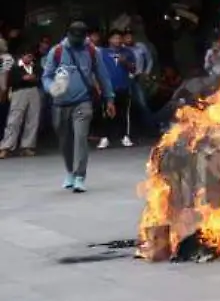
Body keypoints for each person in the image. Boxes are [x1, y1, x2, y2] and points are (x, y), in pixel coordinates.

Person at [43, 22, 117, 191]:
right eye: (73, 37)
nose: (76, 40)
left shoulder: (92, 51)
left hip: (83, 102)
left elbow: (103, 76)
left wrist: (109, 99)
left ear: (85, 37)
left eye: (80, 37)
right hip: (60, 103)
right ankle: (70, 171)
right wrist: (51, 88)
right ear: (68, 34)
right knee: (65, 141)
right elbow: (46, 76)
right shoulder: (57, 51)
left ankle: (79, 176)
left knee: (81, 138)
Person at [0, 40, 42, 157]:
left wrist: (35, 78)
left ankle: (27, 146)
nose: (29, 58)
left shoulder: (36, 66)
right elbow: (11, 81)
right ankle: (6, 146)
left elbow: (41, 77)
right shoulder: (15, 67)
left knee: (33, 118)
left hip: (33, 91)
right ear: (22, 55)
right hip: (19, 91)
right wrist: (22, 79)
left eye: (31, 56)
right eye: (27, 55)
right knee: (14, 119)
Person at [96, 31, 136, 150]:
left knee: (124, 113)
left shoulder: (127, 52)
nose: (117, 41)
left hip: (123, 86)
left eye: (119, 38)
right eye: (114, 38)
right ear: (109, 40)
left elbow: (133, 69)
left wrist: (126, 62)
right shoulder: (102, 52)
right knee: (105, 113)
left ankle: (125, 136)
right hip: (107, 87)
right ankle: (104, 137)